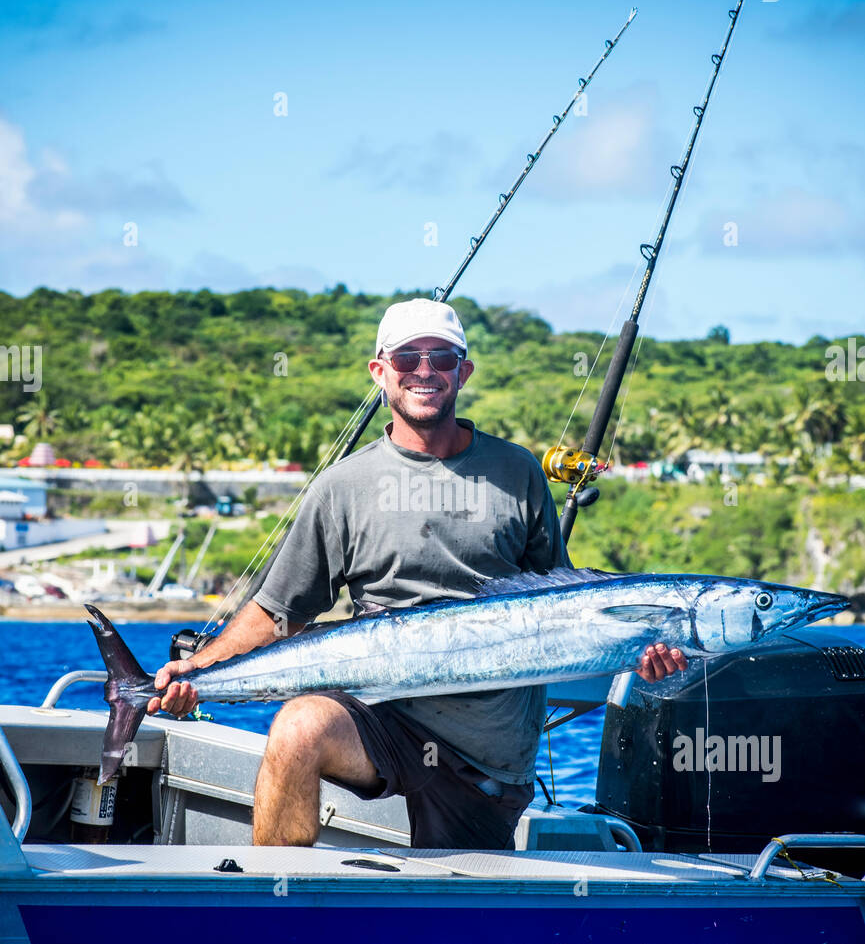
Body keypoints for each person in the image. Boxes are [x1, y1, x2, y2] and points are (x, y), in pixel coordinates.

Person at [149, 298, 687, 849]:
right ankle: (276, 910)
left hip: (486, 750)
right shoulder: (342, 487)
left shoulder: (517, 471)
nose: (424, 371)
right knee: (297, 729)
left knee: (465, 923)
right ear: (380, 372)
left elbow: (563, 606)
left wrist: (636, 649)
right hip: (378, 720)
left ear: (464, 372)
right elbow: (277, 611)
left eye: (442, 358)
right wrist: (197, 668)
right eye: (407, 358)